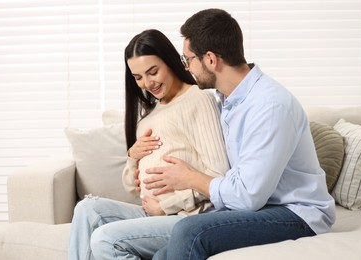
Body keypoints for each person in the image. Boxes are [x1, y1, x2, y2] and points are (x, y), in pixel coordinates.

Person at [142, 9, 336, 260]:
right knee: (161, 255)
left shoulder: (269, 105)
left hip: (296, 214)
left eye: (188, 59)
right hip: (265, 206)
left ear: (210, 59)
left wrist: (190, 178)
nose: (186, 67)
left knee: (189, 232)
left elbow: (248, 196)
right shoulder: (228, 100)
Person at [68, 29, 229, 260]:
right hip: (151, 212)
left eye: (153, 72)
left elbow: (218, 176)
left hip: (185, 217)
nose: (147, 83)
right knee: (86, 209)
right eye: (138, 77)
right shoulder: (150, 114)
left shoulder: (197, 99)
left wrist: (168, 205)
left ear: (170, 61)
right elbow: (133, 188)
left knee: (104, 239)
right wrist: (132, 158)